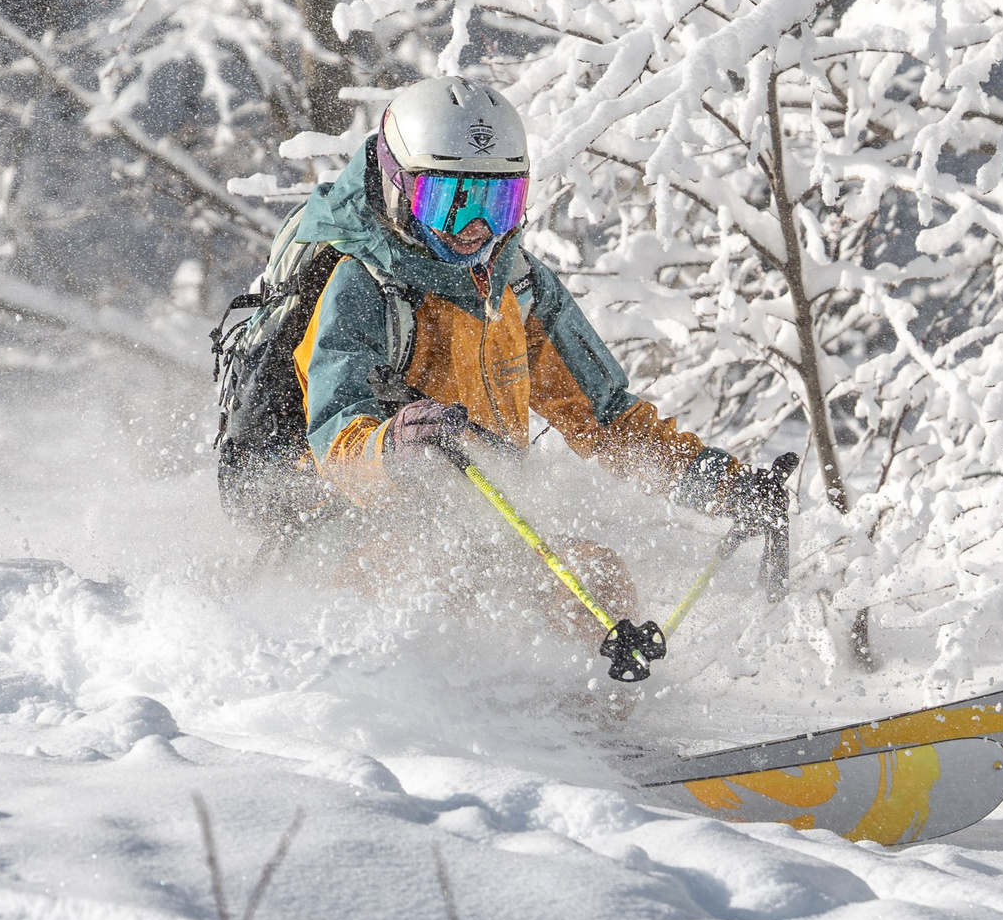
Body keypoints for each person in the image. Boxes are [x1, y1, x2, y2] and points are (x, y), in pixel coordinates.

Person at [287, 75, 786, 630]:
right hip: (356, 539)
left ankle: (595, 715)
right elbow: (337, 441)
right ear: (396, 189)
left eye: (497, 204)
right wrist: (396, 446)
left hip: (488, 530)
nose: (474, 229)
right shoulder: (361, 288)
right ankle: (423, 712)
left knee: (594, 582)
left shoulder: (518, 287)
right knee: (429, 577)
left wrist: (719, 483)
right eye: (450, 204)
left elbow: (609, 419)